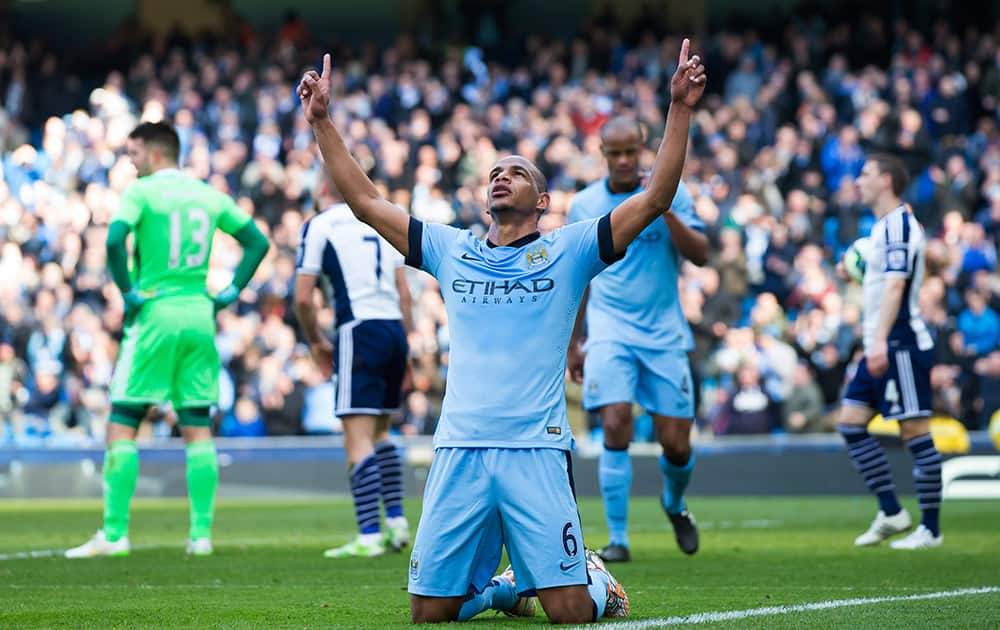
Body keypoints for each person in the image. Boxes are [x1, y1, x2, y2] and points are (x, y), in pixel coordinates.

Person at [297, 42, 705, 623]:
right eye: (494, 173)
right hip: (458, 446)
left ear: (541, 201)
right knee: (429, 614)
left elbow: (656, 196)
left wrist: (680, 109)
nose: (500, 177)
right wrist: (321, 122)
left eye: (515, 173)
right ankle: (506, 588)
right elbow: (364, 201)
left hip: (536, 449)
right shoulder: (450, 249)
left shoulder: (570, 249)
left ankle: (582, 578)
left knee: (569, 612)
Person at [66, 122, 269, 558]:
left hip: (156, 311)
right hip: (199, 313)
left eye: (135, 152)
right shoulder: (208, 194)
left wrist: (128, 292)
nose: (131, 161)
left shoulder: (140, 193)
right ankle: (200, 537)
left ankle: (115, 534)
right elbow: (257, 242)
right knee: (196, 424)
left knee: (123, 420)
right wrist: (230, 292)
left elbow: (116, 241)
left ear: (157, 153)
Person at [567, 117, 709, 563]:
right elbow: (578, 277)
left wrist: (661, 206)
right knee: (613, 424)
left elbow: (702, 255)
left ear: (644, 150)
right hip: (609, 331)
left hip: (664, 333)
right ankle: (619, 538)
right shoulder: (585, 204)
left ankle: (673, 503)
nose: (626, 161)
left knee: (676, 443)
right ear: (603, 154)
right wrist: (575, 341)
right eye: (617, 153)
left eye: (633, 152)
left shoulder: (673, 193)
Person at [294, 174, 413, 558]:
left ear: (323, 190)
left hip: (358, 328)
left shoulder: (321, 224)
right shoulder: (385, 218)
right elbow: (405, 293)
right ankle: (396, 523)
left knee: (356, 436)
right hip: (393, 328)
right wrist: (405, 344)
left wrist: (315, 340)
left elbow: (302, 298)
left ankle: (368, 535)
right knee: (381, 431)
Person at [837, 153, 942, 549]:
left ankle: (930, 528)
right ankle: (892, 511)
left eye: (864, 173)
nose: (858, 180)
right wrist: (854, 272)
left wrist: (878, 342)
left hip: (900, 342)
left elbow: (897, 285)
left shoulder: (899, 224)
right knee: (850, 422)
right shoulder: (882, 228)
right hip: (880, 342)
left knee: (914, 432)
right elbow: (881, 277)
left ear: (885, 180)